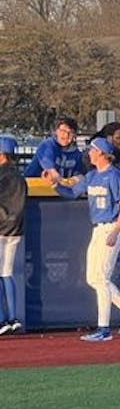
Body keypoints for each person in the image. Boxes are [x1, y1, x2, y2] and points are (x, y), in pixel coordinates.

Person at [48, 137, 120, 341]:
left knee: (101, 279)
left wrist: (116, 231)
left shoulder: (114, 175)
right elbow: (71, 193)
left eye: (92, 150)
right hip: (98, 229)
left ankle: (104, 329)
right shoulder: (91, 176)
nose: (89, 154)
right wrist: (54, 185)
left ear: (101, 153)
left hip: (111, 227)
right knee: (93, 278)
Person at [0, 137, 27, 335]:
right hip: (16, 229)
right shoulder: (19, 175)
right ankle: (13, 318)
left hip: (1, 228)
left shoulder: (2, 175)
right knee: (6, 273)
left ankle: (2, 320)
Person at [25, 116, 84, 182]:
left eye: (70, 133)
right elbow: (50, 171)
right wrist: (63, 181)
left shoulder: (76, 154)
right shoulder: (47, 145)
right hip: (34, 186)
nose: (66, 135)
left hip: (60, 190)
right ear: (56, 131)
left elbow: (79, 175)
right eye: (63, 131)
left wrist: (75, 180)